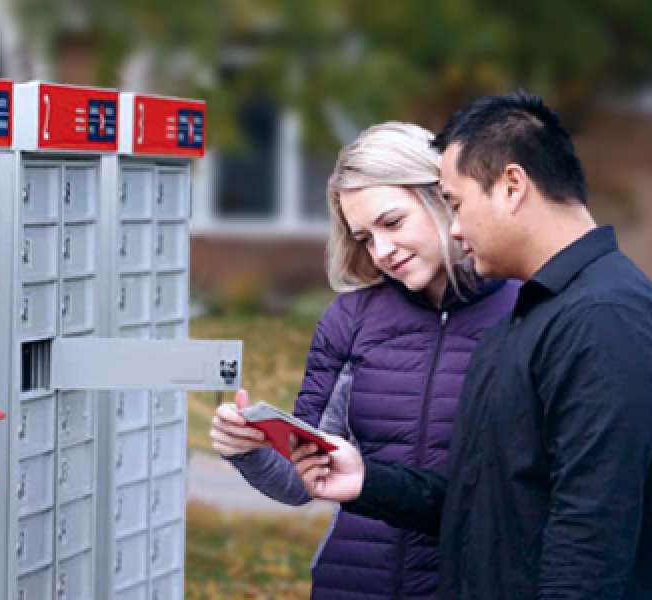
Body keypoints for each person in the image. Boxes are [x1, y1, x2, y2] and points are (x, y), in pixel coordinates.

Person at [291, 92, 652, 599]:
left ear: (511, 187)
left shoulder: (604, 318)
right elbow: (481, 505)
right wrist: (368, 482)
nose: (454, 228)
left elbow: (589, 540)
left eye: (455, 204)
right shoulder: (530, 318)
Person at [209, 122, 518, 599]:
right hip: (352, 586)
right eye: (365, 237)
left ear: (443, 197)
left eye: (392, 223)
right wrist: (247, 447)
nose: (382, 252)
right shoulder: (351, 320)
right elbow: (302, 479)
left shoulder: (529, 314)